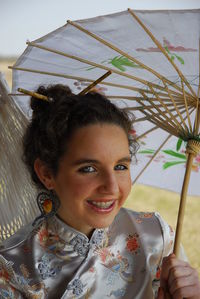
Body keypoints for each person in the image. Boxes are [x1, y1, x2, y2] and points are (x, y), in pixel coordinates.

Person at [0, 84, 199, 299]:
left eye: (121, 166)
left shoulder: (156, 237)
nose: (112, 187)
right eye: (89, 169)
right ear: (47, 173)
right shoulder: (12, 268)